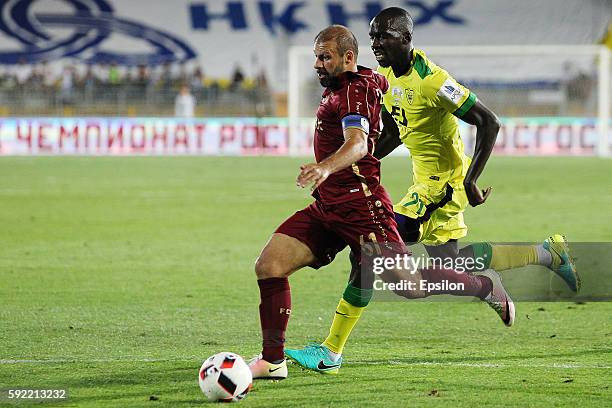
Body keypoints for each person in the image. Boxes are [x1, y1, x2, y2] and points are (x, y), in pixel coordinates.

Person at [285, 7, 579, 374]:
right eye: (373, 36)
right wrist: (359, 160)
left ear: (407, 39)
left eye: (385, 36)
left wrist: (470, 179)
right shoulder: (387, 76)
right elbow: (395, 130)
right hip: (424, 182)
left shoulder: (434, 81)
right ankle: (545, 254)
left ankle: (331, 350)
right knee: (451, 264)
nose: (376, 44)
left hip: (442, 186)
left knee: (372, 251)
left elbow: (489, 121)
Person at [248, 24, 513, 380]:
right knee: (270, 265)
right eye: (316, 57)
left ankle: (484, 286)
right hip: (329, 206)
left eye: (325, 57)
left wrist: (326, 167)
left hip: (363, 209)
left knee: (410, 286)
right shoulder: (367, 81)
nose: (317, 64)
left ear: (347, 58)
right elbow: (383, 97)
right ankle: (273, 360)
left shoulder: (356, 92)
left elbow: (357, 143)